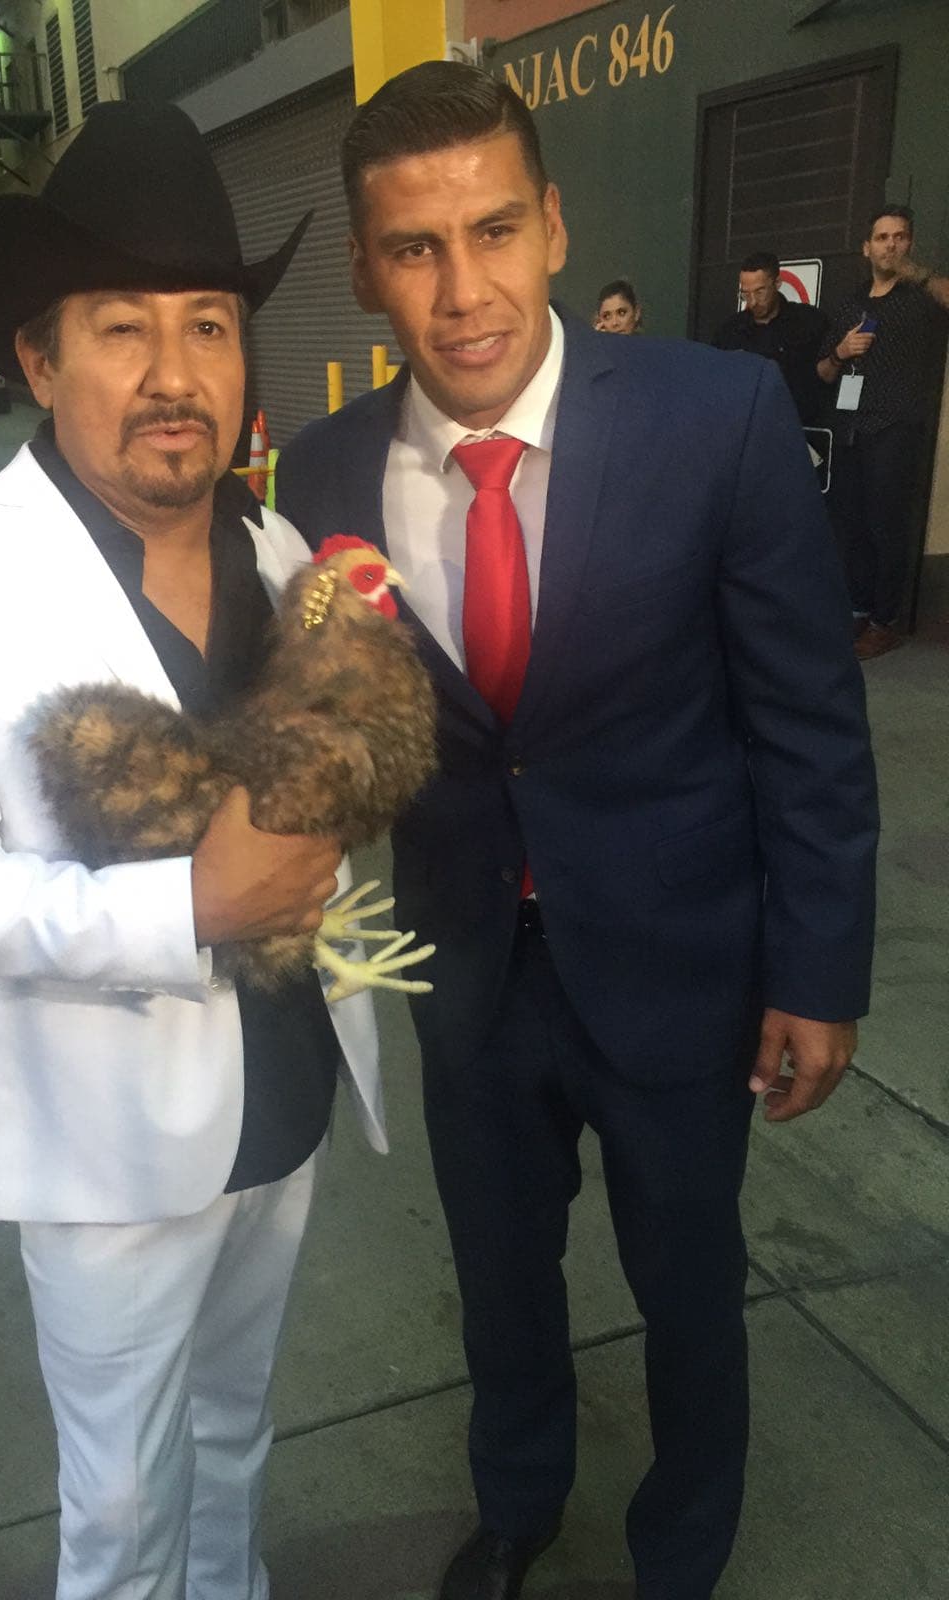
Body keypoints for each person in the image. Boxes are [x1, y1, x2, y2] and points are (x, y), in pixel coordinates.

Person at [277, 61, 877, 1600]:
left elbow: (808, 723)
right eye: (415, 249)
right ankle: (518, 1504)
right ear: (368, 270)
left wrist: (818, 971)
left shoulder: (715, 417)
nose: (462, 290)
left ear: (552, 223)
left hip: (680, 958)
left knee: (690, 1284)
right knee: (498, 1277)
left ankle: (684, 1548)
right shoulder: (325, 472)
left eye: (493, 231)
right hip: (469, 964)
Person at [0, 101, 388, 1600]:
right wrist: (188, 905)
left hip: (288, 1089)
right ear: (39, 360)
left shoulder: (280, 554)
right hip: (108, 1144)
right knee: (123, 1505)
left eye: (208, 325)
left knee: (237, 1433)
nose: (173, 373)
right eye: (122, 328)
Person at [817, 206, 949, 660]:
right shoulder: (850, 303)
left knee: (885, 526)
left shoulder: (921, 298)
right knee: (850, 525)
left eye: (899, 236)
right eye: (881, 237)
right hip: (849, 427)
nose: (890, 244)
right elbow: (823, 372)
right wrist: (840, 350)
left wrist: (917, 273)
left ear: (909, 243)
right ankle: (857, 610)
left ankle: (884, 621)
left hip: (895, 426)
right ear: (866, 247)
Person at [712, 251, 829, 425]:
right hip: (746, 425)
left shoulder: (809, 321)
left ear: (777, 283)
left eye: (760, 292)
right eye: (745, 294)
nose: (752, 301)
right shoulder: (730, 331)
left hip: (801, 426)